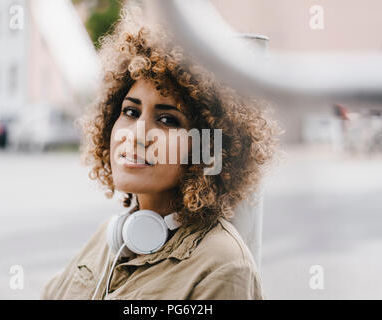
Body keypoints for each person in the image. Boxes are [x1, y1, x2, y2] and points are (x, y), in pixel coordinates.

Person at [40, 3, 279, 300]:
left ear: (207, 146)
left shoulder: (223, 266)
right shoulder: (108, 237)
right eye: (129, 112)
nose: (137, 135)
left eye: (167, 120)